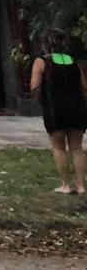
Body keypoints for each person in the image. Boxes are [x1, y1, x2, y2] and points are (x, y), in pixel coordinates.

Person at [30, 28, 87, 194]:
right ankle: (81, 186)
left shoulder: (42, 62)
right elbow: (84, 87)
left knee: (59, 147)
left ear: (45, 44)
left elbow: (34, 85)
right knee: (76, 147)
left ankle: (65, 185)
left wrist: (39, 99)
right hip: (77, 107)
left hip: (55, 108)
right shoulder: (72, 61)